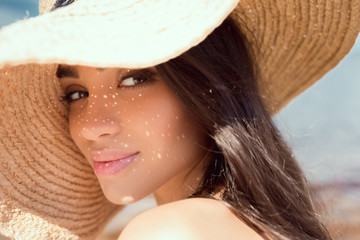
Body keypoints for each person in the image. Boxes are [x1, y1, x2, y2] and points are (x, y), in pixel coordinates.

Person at [0, 0, 358, 239]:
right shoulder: (250, 225)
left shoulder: (168, 231)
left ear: (207, 83)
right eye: (76, 93)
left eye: (133, 79)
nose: (92, 125)